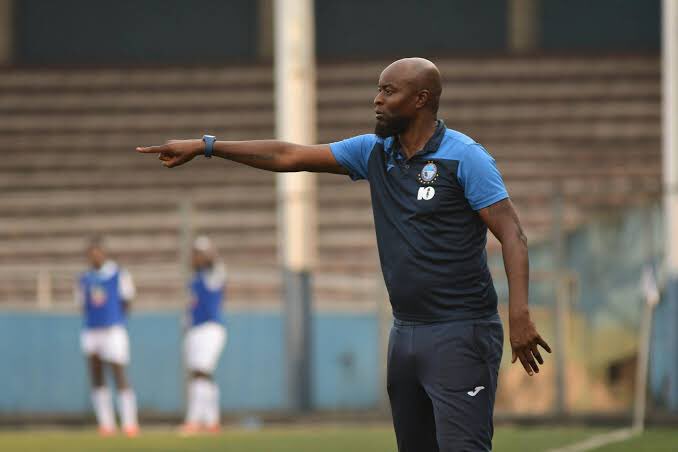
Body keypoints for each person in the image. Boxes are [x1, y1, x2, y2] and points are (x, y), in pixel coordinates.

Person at [137, 57, 551, 451]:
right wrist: (208, 146)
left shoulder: (464, 157)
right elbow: (289, 155)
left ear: (421, 99)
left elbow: (512, 233)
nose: (377, 100)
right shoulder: (374, 152)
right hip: (405, 333)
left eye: (388, 92)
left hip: (461, 332)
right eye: (377, 91)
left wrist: (519, 313)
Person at [76, 237, 139, 437]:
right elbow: (81, 305)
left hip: (113, 330)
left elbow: (127, 300)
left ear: (104, 253)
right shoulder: (84, 279)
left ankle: (129, 423)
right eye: (91, 253)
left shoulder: (118, 274)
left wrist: (116, 320)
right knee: (96, 376)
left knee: (119, 373)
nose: (94, 256)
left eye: (98, 252)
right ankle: (106, 424)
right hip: (92, 331)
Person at [180, 235, 227, 434]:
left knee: (201, 372)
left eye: (197, 254)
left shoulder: (214, 274)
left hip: (210, 328)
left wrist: (208, 252)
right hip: (195, 329)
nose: (194, 258)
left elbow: (213, 263)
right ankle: (211, 420)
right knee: (201, 375)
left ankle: (194, 420)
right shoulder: (195, 278)